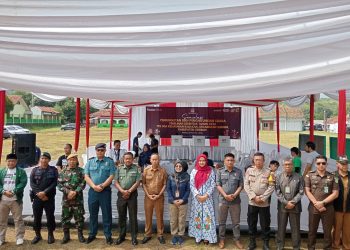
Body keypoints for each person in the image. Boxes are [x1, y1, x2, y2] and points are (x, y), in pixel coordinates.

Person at [304, 155, 339, 250]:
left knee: (327, 232)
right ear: (315, 164)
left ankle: (327, 248)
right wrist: (317, 204)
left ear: (326, 164)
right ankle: (311, 248)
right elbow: (307, 191)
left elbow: (335, 193)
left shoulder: (333, 176)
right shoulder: (309, 175)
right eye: (318, 163)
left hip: (328, 208)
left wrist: (322, 203)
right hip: (313, 207)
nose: (321, 165)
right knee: (312, 231)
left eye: (323, 163)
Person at [84, 143, 115, 245]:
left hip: (105, 191)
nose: (100, 152)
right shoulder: (90, 162)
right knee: (93, 213)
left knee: (107, 213)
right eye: (98, 150)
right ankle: (92, 234)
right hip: (93, 191)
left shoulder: (109, 162)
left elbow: (112, 175)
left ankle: (108, 235)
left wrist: (102, 186)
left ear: (105, 151)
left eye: (102, 150)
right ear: (96, 151)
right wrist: (94, 186)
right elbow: (86, 176)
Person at [244, 152, 274, 250]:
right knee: (251, 223)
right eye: (256, 160)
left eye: (260, 160)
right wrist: (253, 197)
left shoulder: (269, 172)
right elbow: (246, 185)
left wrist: (262, 198)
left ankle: (265, 243)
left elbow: (271, 186)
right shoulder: (249, 170)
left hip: (264, 203)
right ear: (253, 160)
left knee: (265, 224)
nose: (258, 162)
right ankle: (252, 243)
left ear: (264, 161)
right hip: (252, 202)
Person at [275, 157, 304, 250]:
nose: (288, 166)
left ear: (293, 165)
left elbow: (301, 191)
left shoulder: (299, 176)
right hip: (282, 206)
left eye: (290, 164)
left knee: (295, 228)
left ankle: (296, 247)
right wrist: (285, 202)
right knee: (281, 227)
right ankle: (280, 246)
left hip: (295, 207)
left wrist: (293, 202)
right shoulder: (279, 177)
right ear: (283, 166)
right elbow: (277, 191)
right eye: (286, 164)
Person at [216, 153, 244, 249]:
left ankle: (237, 240)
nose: (230, 162)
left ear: (234, 161)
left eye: (231, 160)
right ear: (224, 161)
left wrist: (235, 195)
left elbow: (241, 185)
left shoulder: (238, 172)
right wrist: (225, 195)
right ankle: (222, 239)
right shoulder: (220, 171)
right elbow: (218, 185)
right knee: (221, 222)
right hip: (223, 201)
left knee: (236, 223)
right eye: (228, 160)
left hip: (235, 201)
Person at [30, 152, 58, 244]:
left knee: (50, 216)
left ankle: (50, 234)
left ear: (49, 160)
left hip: (48, 198)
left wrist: (45, 193)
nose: (43, 160)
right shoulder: (34, 170)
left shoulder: (53, 170)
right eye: (42, 158)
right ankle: (38, 235)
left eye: (46, 158)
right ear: (39, 160)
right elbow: (32, 184)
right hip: (37, 198)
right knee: (37, 217)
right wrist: (39, 193)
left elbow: (54, 183)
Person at [57, 153, 86, 244]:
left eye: (74, 160)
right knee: (65, 217)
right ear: (67, 161)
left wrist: (75, 191)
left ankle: (80, 235)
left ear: (76, 161)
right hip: (67, 200)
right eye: (70, 160)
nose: (72, 161)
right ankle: (66, 236)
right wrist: (68, 192)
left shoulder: (81, 171)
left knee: (79, 217)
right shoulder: (63, 172)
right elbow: (59, 184)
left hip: (78, 199)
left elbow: (83, 183)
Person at [189, 154, 217, 245]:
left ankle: (207, 237)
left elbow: (213, 184)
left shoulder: (210, 171)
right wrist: (197, 195)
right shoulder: (194, 171)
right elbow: (192, 184)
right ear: (197, 161)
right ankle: (198, 236)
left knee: (207, 217)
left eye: (203, 161)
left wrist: (206, 195)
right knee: (197, 216)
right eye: (200, 161)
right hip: (196, 199)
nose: (201, 162)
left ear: (206, 161)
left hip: (207, 199)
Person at [114, 152, 141, 246]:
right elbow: (116, 182)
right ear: (123, 159)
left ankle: (134, 237)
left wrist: (129, 191)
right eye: (126, 159)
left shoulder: (136, 169)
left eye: (130, 158)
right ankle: (121, 236)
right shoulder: (119, 168)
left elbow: (137, 182)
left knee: (133, 217)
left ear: (133, 159)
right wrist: (123, 191)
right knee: (121, 216)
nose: (128, 160)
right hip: (121, 195)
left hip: (132, 195)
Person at [0, 153, 27, 246]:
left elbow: (23, 183)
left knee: (18, 219)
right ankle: (1, 238)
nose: (11, 163)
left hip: (16, 200)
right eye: (9, 161)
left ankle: (19, 237)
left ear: (16, 162)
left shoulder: (21, 172)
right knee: (1, 220)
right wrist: (3, 191)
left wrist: (14, 191)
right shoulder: (2, 171)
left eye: (13, 161)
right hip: (3, 200)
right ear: (6, 161)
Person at [141, 153, 167, 244]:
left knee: (159, 216)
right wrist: (148, 195)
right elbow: (143, 183)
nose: (155, 161)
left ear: (159, 160)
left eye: (156, 159)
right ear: (150, 160)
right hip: (148, 197)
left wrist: (159, 195)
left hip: (159, 197)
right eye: (153, 159)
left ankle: (160, 235)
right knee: (148, 216)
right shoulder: (146, 170)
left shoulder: (163, 171)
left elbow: (164, 184)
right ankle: (147, 234)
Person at [166, 160, 190, 245]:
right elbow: (168, 189)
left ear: (183, 167)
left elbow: (188, 190)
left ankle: (180, 235)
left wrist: (182, 200)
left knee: (181, 220)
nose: (178, 168)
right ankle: (174, 235)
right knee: (173, 220)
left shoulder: (187, 177)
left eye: (180, 166)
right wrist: (173, 200)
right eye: (176, 166)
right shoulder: (170, 177)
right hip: (172, 202)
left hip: (183, 202)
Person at [332, 156, 350, 249]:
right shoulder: (333, 175)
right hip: (336, 207)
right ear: (337, 164)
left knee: (348, 230)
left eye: (346, 163)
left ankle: (347, 247)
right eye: (342, 163)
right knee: (336, 229)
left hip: (348, 208)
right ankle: (335, 246)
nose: (345, 165)